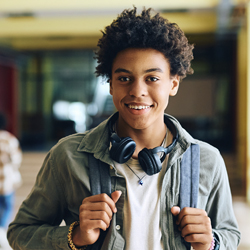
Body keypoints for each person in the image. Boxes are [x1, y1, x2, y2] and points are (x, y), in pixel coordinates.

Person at [7, 7, 240, 250]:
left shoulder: (206, 160)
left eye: (152, 78)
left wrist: (212, 243)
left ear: (173, 83)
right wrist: (75, 235)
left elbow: (230, 235)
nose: (137, 91)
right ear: (110, 85)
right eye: (124, 78)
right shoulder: (68, 156)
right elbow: (20, 233)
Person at [0, 113, 22, 249]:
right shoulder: (9, 139)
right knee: (8, 207)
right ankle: (1, 229)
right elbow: (16, 159)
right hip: (6, 181)